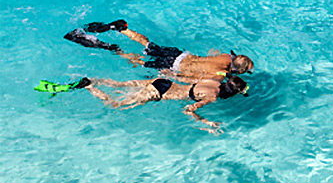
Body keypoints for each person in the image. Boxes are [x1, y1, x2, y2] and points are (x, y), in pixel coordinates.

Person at [35, 75, 249, 132]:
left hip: (163, 82)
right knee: (115, 104)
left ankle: (93, 80)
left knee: (120, 85)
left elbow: (186, 80)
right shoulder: (212, 97)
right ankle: (88, 87)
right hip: (158, 93)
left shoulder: (214, 81)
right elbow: (187, 109)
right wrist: (205, 122)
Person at [64, 20, 254, 82]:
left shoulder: (223, 57)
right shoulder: (218, 76)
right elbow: (188, 79)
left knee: (148, 44)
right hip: (173, 64)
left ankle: (122, 28)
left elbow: (213, 52)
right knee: (138, 60)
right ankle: (111, 48)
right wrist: (172, 75)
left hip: (181, 54)